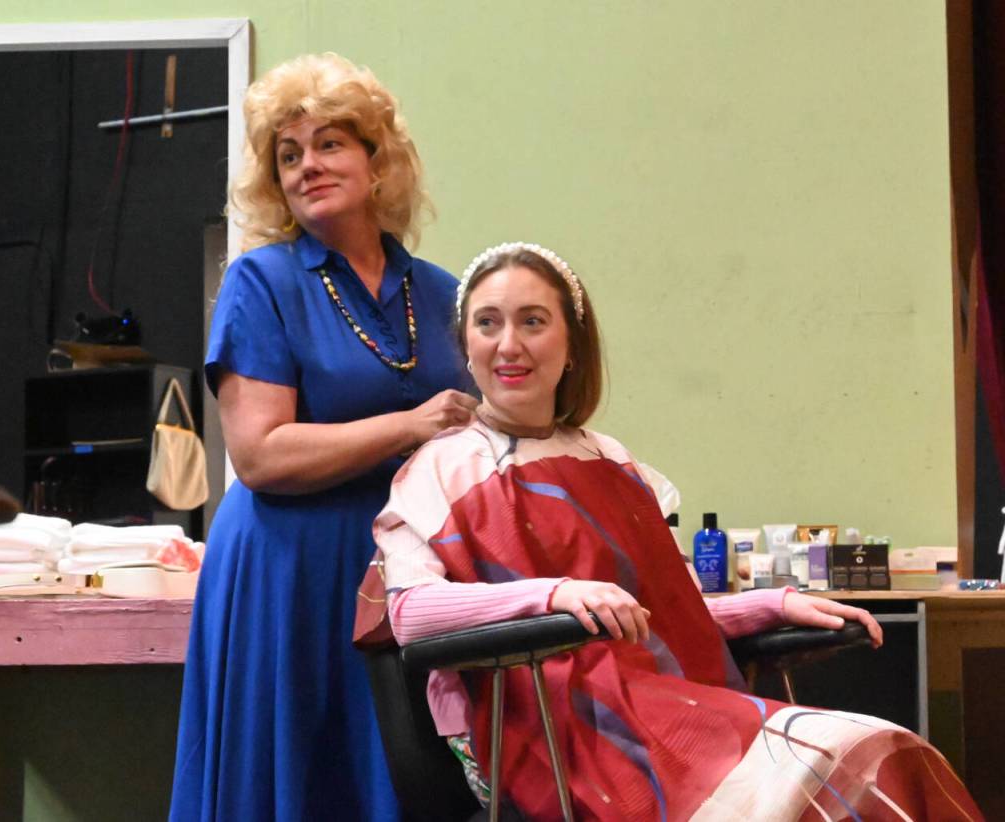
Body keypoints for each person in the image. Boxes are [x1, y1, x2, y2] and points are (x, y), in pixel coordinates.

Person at [365, 242, 983, 820]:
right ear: (466, 344)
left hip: (664, 703)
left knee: (884, 753)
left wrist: (770, 606)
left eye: (532, 321)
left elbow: (662, 616)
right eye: (488, 323)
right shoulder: (438, 469)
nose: (508, 345)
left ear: (572, 344)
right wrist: (556, 595)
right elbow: (411, 614)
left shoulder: (610, 463)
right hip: (546, 734)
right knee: (843, 761)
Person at [169, 53, 476, 821]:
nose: (308, 166)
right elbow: (260, 454)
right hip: (291, 568)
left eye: (330, 143)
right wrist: (409, 425)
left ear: (379, 162)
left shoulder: (444, 294)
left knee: (407, 785)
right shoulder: (261, 282)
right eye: (288, 154)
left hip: (409, 576)